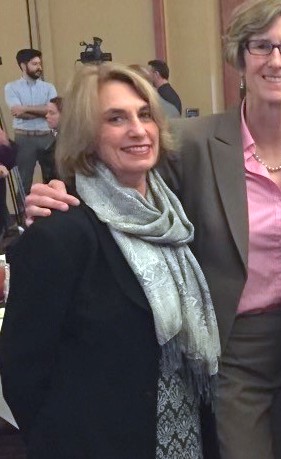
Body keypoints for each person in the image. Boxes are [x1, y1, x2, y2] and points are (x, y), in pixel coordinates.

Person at [23, 1, 281, 458]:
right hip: (227, 349)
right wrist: (57, 196)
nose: (275, 60)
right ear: (240, 57)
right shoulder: (193, 143)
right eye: (261, 46)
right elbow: (124, 192)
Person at [0, 63, 220, 459]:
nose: (138, 129)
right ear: (87, 135)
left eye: (145, 114)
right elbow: (23, 371)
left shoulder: (173, 222)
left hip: (186, 439)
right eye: (116, 118)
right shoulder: (61, 233)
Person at [4, 48, 57, 193]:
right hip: (24, 139)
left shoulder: (48, 87)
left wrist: (25, 108)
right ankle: (23, 214)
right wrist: (43, 111)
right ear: (23, 66)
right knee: (23, 180)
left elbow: (52, 110)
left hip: (47, 137)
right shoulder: (11, 87)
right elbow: (18, 113)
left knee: (53, 177)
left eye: (39, 64)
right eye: (34, 64)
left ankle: (53, 214)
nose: (39, 67)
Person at [38, 96, 62, 182]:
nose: (47, 116)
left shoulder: (70, 143)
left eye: (51, 113)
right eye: (47, 112)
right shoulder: (53, 138)